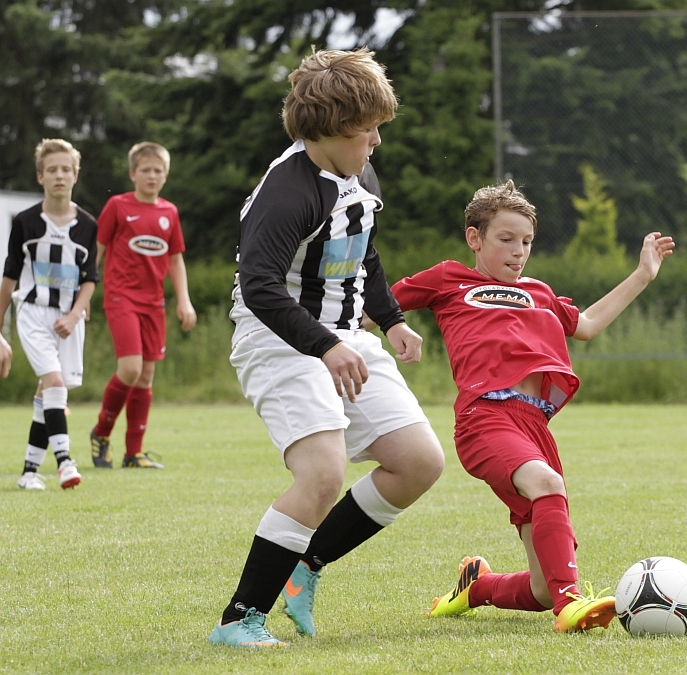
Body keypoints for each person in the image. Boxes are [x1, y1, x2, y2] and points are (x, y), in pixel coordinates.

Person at [208, 47, 444, 648]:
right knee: (322, 474)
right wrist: (324, 346)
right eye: (368, 130)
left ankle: (304, 568)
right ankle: (239, 620)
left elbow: (364, 250)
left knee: (418, 461)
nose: (377, 141)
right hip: (279, 339)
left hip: (341, 337)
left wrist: (391, 320)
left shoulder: (358, 172)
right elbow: (260, 287)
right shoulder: (286, 192)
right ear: (332, 129)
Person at [390, 180, 675, 632]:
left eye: (526, 242)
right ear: (474, 238)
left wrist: (643, 273)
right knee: (547, 483)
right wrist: (384, 329)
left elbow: (587, 324)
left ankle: (477, 587)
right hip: (484, 417)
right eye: (506, 239)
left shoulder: (539, 292)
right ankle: (572, 603)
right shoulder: (448, 278)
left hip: (534, 426)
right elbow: (373, 305)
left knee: (542, 588)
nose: (518, 251)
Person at [89, 141, 197, 469]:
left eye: (158, 171)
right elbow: (97, 251)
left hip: (154, 303)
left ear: (166, 175)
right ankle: (101, 433)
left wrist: (184, 300)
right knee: (131, 368)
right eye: (146, 170)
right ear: (132, 174)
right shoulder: (117, 206)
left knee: (146, 375)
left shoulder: (169, 212)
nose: (152, 176)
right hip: (121, 297)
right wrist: (84, 294)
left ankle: (133, 453)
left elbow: (175, 259)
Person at [0, 138, 99, 490]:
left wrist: (74, 315)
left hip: (68, 321)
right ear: (40, 176)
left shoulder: (88, 224)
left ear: (75, 175)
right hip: (33, 314)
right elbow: (9, 279)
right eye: (52, 170)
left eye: (66, 169)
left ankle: (29, 472)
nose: (60, 175)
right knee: (55, 384)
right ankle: (65, 463)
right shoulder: (25, 222)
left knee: (50, 392)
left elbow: (90, 279)